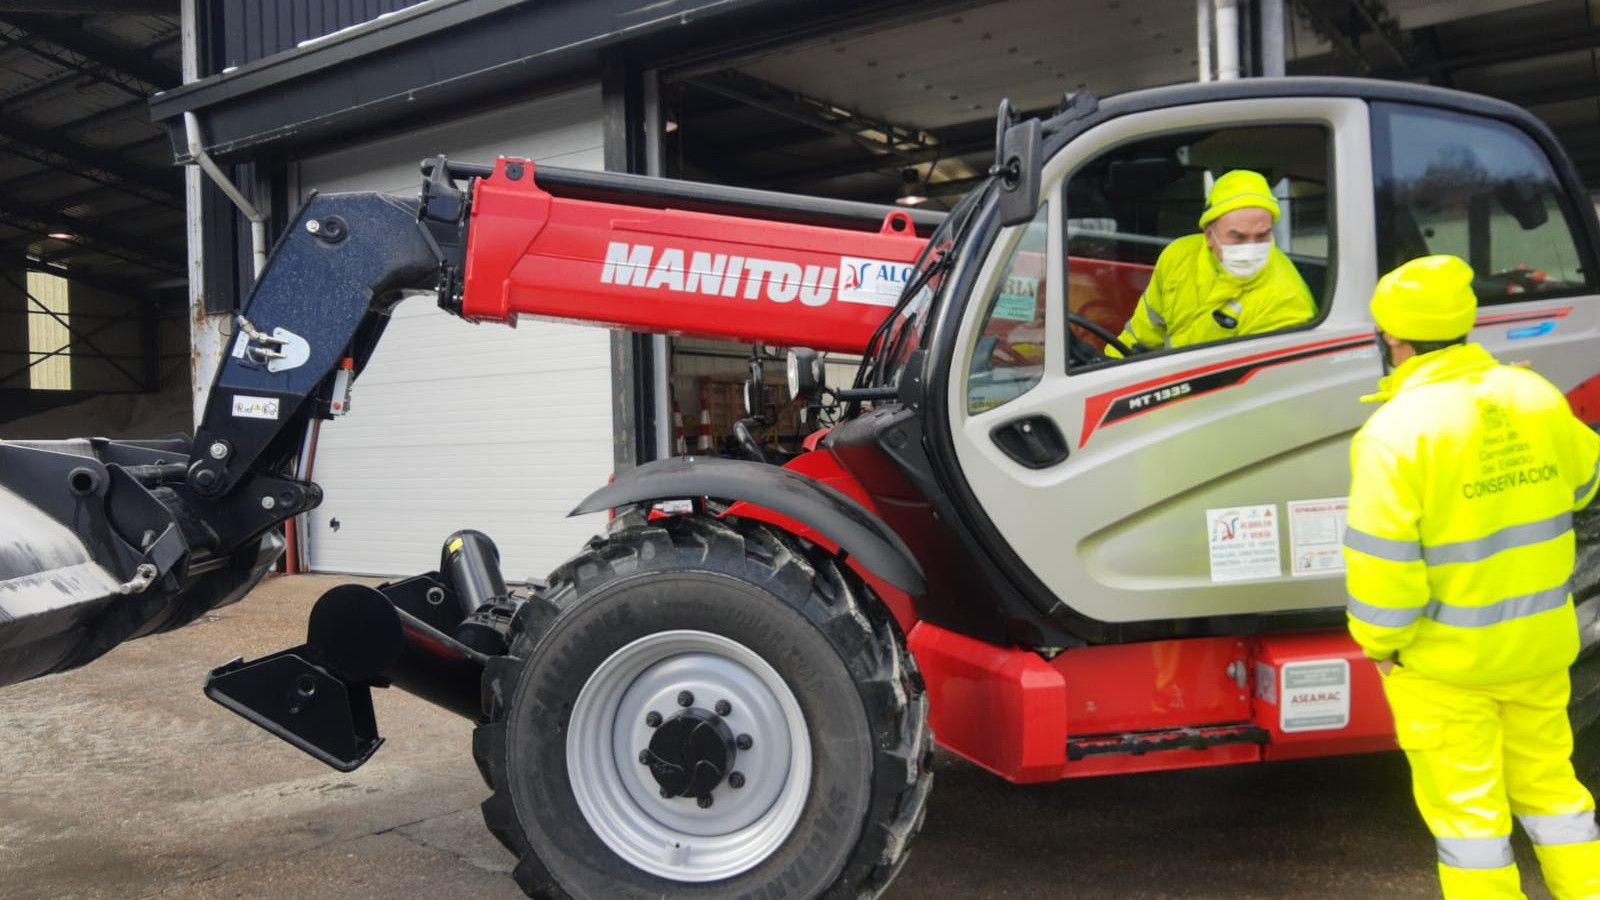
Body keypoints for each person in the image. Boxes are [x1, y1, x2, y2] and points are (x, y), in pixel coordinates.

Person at [1343, 254, 1600, 899]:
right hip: (1539, 650)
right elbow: (1586, 482)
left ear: (1393, 339)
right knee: (1554, 793)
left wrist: (1381, 646)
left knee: (1471, 822)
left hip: (1444, 667)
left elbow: (1384, 569)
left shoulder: (1393, 434)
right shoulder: (1533, 396)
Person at [1107, 169, 1315, 356]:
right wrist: (1107, 367)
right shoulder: (1178, 257)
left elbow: (1254, 386)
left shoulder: (1287, 301)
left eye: (1262, 236)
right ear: (1208, 236)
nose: (1250, 248)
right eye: (1238, 237)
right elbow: (1140, 337)